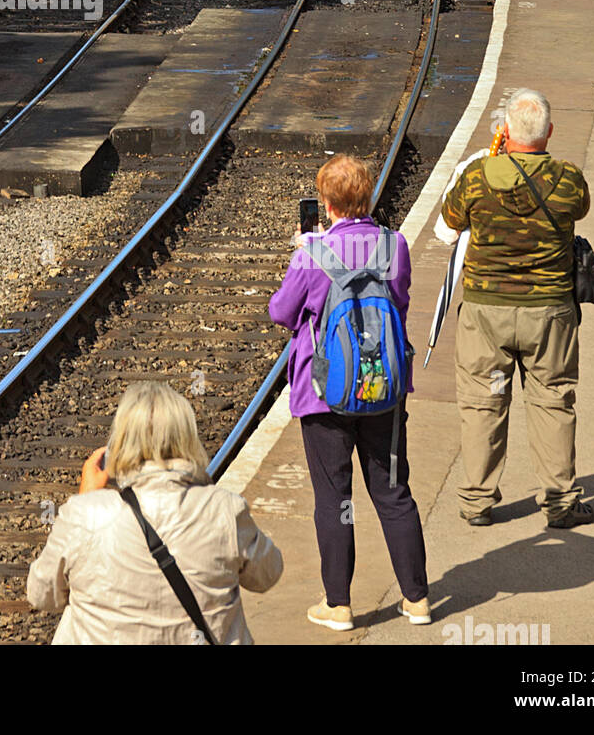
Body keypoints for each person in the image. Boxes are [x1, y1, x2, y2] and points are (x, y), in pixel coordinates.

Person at [269, 154, 429, 632]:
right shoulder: (393, 245)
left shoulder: (313, 253)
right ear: (366, 198)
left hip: (325, 393)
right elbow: (398, 300)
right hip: (385, 391)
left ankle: (338, 605)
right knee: (394, 491)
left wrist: (304, 253)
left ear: (326, 203)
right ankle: (417, 599)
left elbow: (281, 311)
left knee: (335, 496)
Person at [26, 380, 282, 644]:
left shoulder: (85, 515)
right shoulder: (225, 509)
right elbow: (267, 574)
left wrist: (85, 500)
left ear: (119, 443)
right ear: (188, 438)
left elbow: (42, 593)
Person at [441, 88, 592, 528]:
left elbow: (451, 223)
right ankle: (561, 502)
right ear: (549, 132)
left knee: (483, 402)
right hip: (549, 313)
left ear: (504, 131)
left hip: (486, 312)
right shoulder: (568, 179)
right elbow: (580, 209)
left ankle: (477, 502)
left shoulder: (475, 176)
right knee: (553, 401)